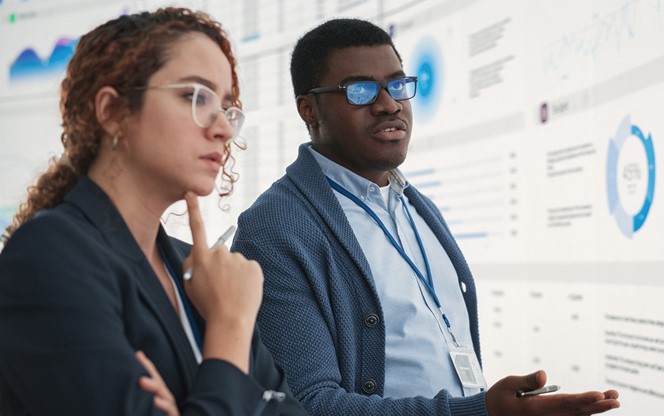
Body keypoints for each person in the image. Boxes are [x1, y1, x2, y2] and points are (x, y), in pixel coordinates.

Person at [231, 18, 620, 416]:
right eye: (360, 90)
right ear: (309, 109)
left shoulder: (416, 207)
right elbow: (308, 406)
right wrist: (479, 411)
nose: (389, 104)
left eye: (397, 85)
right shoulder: (273, 229)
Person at [0, 8, 307, 416]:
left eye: (228, 108)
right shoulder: (47, 256)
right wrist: (230, 330)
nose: (223, 128)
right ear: (111, 111)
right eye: (195, 96)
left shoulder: (198, 269)